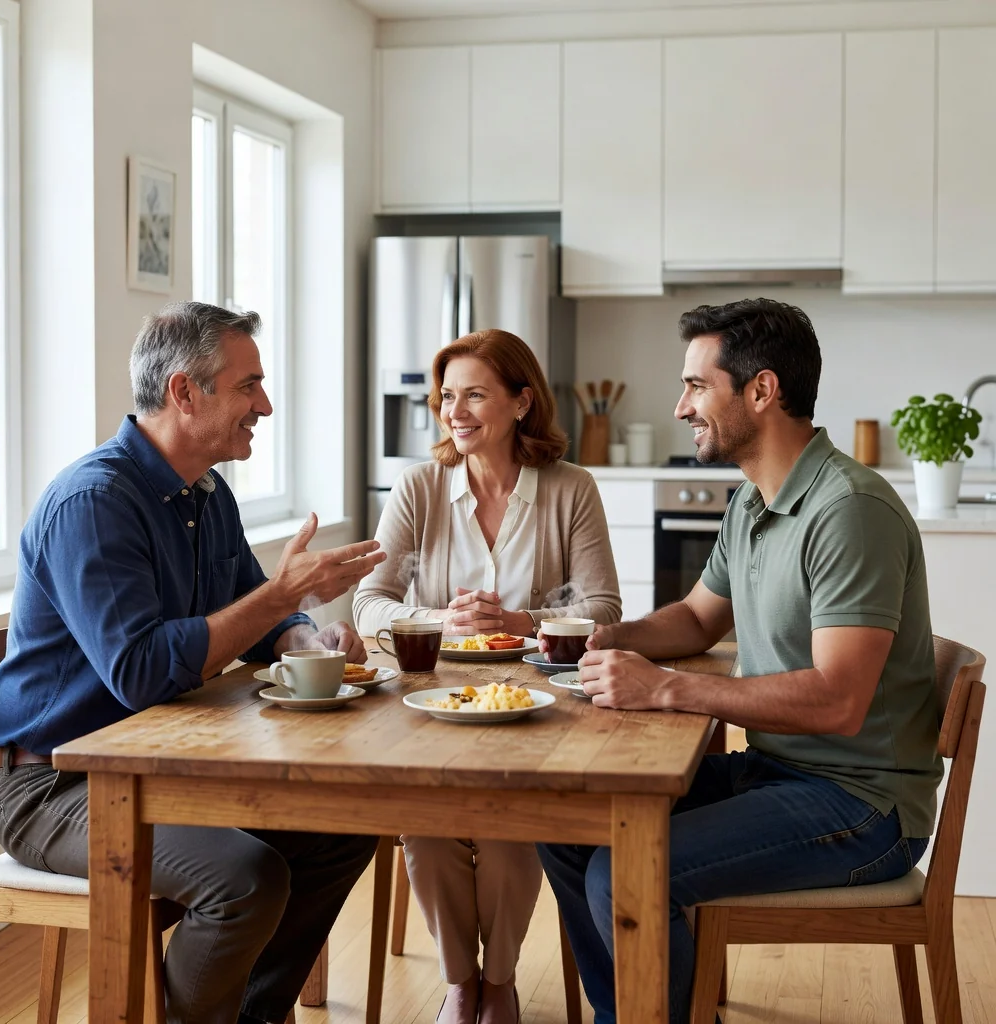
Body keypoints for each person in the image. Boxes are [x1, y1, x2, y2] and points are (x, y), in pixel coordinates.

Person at [537, 298, 942, 1024]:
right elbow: (696, 617)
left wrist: (666, 690)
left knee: (625, 875)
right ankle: (634, 1014)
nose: (681, 404)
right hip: (778, 772)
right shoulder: (754, 503)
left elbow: (837, 702)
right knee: (566, 824)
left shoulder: (848, 510)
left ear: (761, 390)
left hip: (861, 806)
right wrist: (603, 640)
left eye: (697, 385)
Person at [0, 302, 388, 1024]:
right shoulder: (95, 502)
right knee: (245, 878)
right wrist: (278, 598)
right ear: (183, 392)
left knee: (342, 827)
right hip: (56, 786)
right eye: (248, 386)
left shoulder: (206, 492)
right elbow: (140, 670)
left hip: (160, 767)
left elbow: (254, 616)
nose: (264, 405)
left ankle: (247, 1016)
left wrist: (304, 640)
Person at [354, 328, 621, 1024]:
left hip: (542, 704)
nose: (455, 411)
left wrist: (522, 620)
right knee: (427, 820)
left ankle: (499, 981)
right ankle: (460, 984)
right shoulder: (419, 487)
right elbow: (367, 603)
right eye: (447, 396)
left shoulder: (571, 489)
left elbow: (604, 609)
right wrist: (441, 618)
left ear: (522, 401)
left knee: (510, 821)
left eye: (475, 394)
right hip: (432, 701)